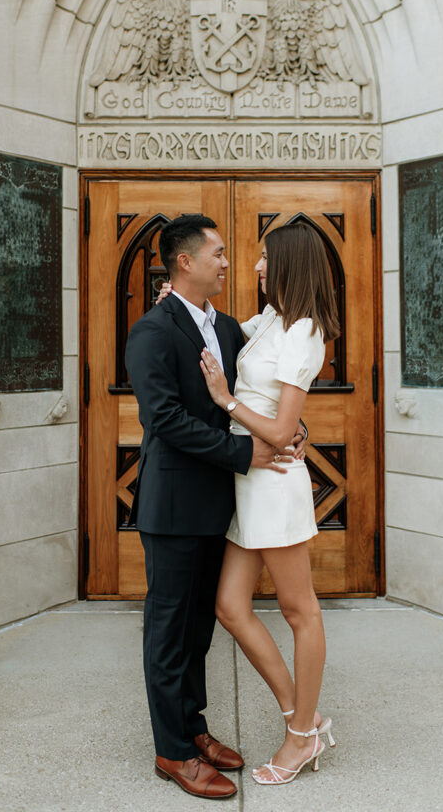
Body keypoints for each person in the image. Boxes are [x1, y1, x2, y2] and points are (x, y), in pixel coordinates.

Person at [125, 214, 305, 801]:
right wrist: (244, 452)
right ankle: (172, 751)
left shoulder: (228, 328)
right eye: (219, 255)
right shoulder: (151, 332)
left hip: (218, 507)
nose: (228, 264)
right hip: (173, 506)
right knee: (169, 631)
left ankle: (194, 727)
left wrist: (290, 429)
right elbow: (166, 420)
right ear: (185, 262)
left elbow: (262, 390)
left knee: (200, 629)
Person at [159, 220, 339, 786]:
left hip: (276, 483)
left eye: (265, 259)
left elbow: (284, 431)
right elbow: (215, 330)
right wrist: (178, 300)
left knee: (298, 610)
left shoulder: (306, 330)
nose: (255, 267)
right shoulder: (268, 322)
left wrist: (224, 400)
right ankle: (303, 719)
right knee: (231, 606)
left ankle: (300, 737)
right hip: (246, 483)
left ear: (288, 264)